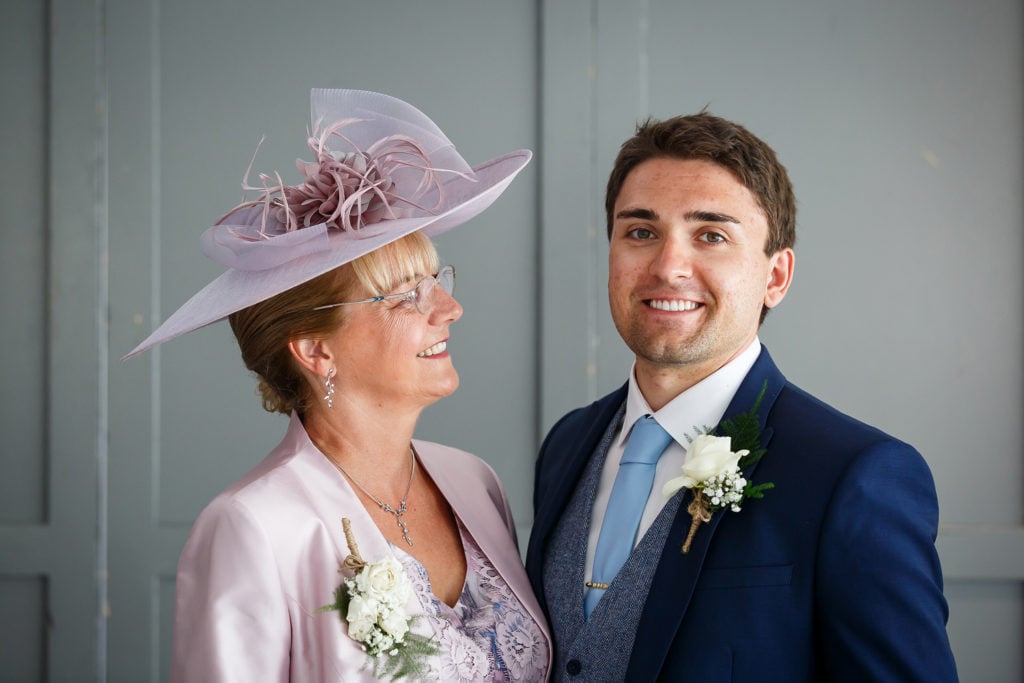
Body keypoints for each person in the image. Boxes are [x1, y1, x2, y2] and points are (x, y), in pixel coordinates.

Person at [125, 89, 551, 682]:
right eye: (407, 295)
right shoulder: (252, 526)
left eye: (436, 280)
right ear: (316, 350)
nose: (449, 308)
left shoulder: (474, 482)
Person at [525, 112, 958, 681]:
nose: (668, 266)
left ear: (775, 277)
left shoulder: (857, 475)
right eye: (640, 231)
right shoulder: (569, 442)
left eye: (711, 235)